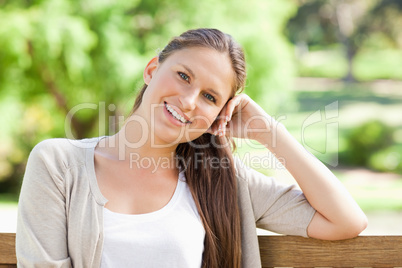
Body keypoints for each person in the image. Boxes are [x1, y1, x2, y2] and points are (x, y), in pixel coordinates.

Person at [16, 28, 367, 268]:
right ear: (152, 69)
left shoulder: (224, 181)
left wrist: (269, 132)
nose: (188, 102)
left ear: (220, 113)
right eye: (183, 76)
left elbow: (345, 220)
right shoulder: (58, 164)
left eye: (210, 97)